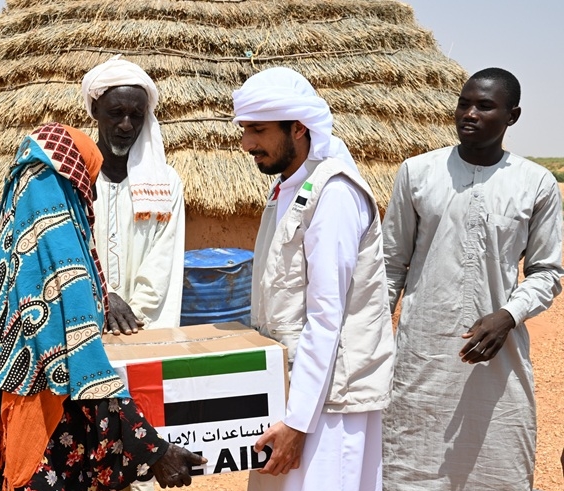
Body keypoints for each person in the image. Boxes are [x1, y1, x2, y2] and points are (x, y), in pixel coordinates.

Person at [0, 123, 205, 491]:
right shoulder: (60, 248)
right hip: (48, 428)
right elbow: (87, 370)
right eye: (86, 183)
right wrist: (156, 450)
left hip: (21, 414)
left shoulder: (19, 231)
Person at [381, 68, 564, 490]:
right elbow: (391, 265)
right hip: (421, 359)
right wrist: (372, 336)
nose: (469, 113)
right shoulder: (417, 172)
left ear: (511, 116)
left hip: (498, 359)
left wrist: (508, 315)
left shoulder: (536, 183)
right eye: (464, 103)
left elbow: (546, 272)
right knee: (410, 470)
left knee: (497, 472)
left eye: (485, 106)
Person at [232, 67, 395, 491]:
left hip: (328, 405)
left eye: (259, 130)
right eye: (245, 129)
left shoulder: (334, 194)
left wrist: (298, 422)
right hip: (291, 394)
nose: (247, 143)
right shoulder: (288, 189)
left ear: (299, 129)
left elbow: (327, 318)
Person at [81, 57, 186, 336]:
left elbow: (163, 259)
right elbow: (66, 252)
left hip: (143, 327)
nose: (126, 125)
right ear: (95, 110)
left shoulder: (166, 184)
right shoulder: (75, 178)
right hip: (83, 323)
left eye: (136, 115)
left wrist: (132, 315)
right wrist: (101, 299)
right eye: (116, 112)